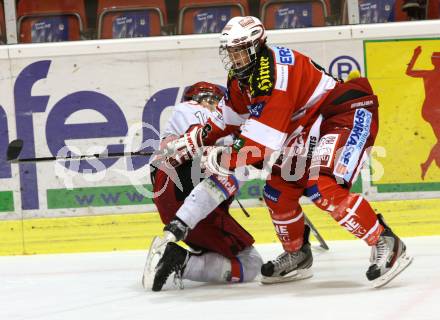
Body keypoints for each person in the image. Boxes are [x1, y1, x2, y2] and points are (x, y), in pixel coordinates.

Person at [164, 16, 412, 287]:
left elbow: (260, 145)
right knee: (278, 192)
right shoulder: (242, 77)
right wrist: (195, 138)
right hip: (310, 128)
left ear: (257, 46)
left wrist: (220, 157)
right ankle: (297, 254)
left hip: (343, 114)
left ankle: (386, 241)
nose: (234, 58)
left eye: (240, 50)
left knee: (323, 186)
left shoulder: (275, 78)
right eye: (230, 51)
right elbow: (227, 118)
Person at [148, 81, 263, 291]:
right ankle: (183, 261)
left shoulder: (179, 113)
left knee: (216, 250)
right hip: (191, 200)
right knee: (251, 264)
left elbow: (158, 167)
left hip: (165, 197)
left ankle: (185, 245)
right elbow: (231, 167)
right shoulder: (226, 119)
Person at [406, 46, 440, 180]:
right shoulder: (429, 74)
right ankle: (426, 164)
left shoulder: (428, 73)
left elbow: (409, 71)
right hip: (436, 112)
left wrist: (415, 54)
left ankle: (426, 165)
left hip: (428, 110)